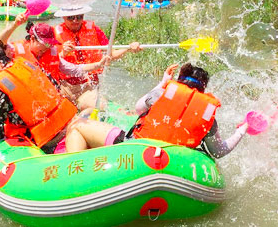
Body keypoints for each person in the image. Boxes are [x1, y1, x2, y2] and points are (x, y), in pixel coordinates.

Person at [64, 62, 248, 158]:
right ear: (203, 89)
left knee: (78, 125)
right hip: (176, 161)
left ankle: (74, 174)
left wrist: (162, 82)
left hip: (136, 150)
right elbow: (218, 151)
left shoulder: (162, 93)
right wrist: (242, 129)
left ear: (179, 80)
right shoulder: (208, 116)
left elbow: (138, 109)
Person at [0, 41, 77, 170]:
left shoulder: (0, 88)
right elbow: (55, 87)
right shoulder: (27, 65)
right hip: (66, 124)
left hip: (45, 140)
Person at [54, 3, 141, 105]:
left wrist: (128, 48)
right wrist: (63, 53)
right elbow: (50, 63)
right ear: (63, 17)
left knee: (99, 106)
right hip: (66, 85)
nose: (75, 21)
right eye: (71, 18)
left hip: (89, 84)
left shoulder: (95, 30)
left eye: (79, 17)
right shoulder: (54, 34)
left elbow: (111, 54)